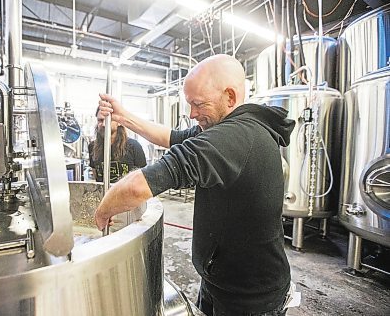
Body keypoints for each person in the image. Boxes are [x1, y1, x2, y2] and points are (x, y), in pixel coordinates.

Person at [94, 54, 295, 316]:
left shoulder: (236, 137)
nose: (191, 114)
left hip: (249, 299)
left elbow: (137, 187)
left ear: (230, 97)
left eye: (198, 104)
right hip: (221, 278)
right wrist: (124, 117)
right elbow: (171, 137)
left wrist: (102, 211)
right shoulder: (228, 127)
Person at [88, 107, 146, 183]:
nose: (104, 124)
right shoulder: (92, 147)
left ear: (119, 122)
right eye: (100, 120)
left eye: (109, 120)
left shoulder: (134, 146)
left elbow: (143, 179)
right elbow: (96, 175)